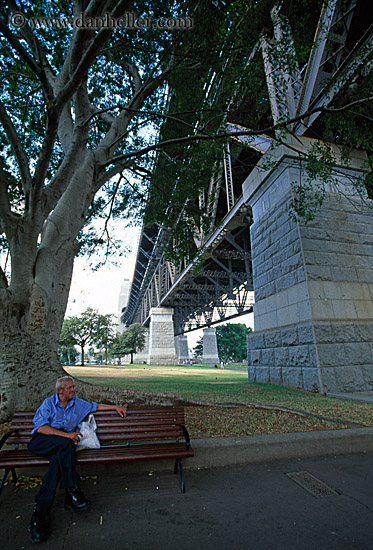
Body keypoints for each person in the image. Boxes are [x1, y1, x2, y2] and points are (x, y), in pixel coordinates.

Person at [27, 375, 126, 543]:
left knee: (58, 461)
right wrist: (66, 435)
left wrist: (115, 407)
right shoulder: (49, 404)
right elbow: (42, 428)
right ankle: (72, 489)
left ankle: (40, 514)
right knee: (66, 444)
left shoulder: (77, 403)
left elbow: (95, 407)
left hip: (62, 446)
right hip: (43, 441)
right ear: (60, 391)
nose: (74, 390)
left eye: (73, 387)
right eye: (70, 388)